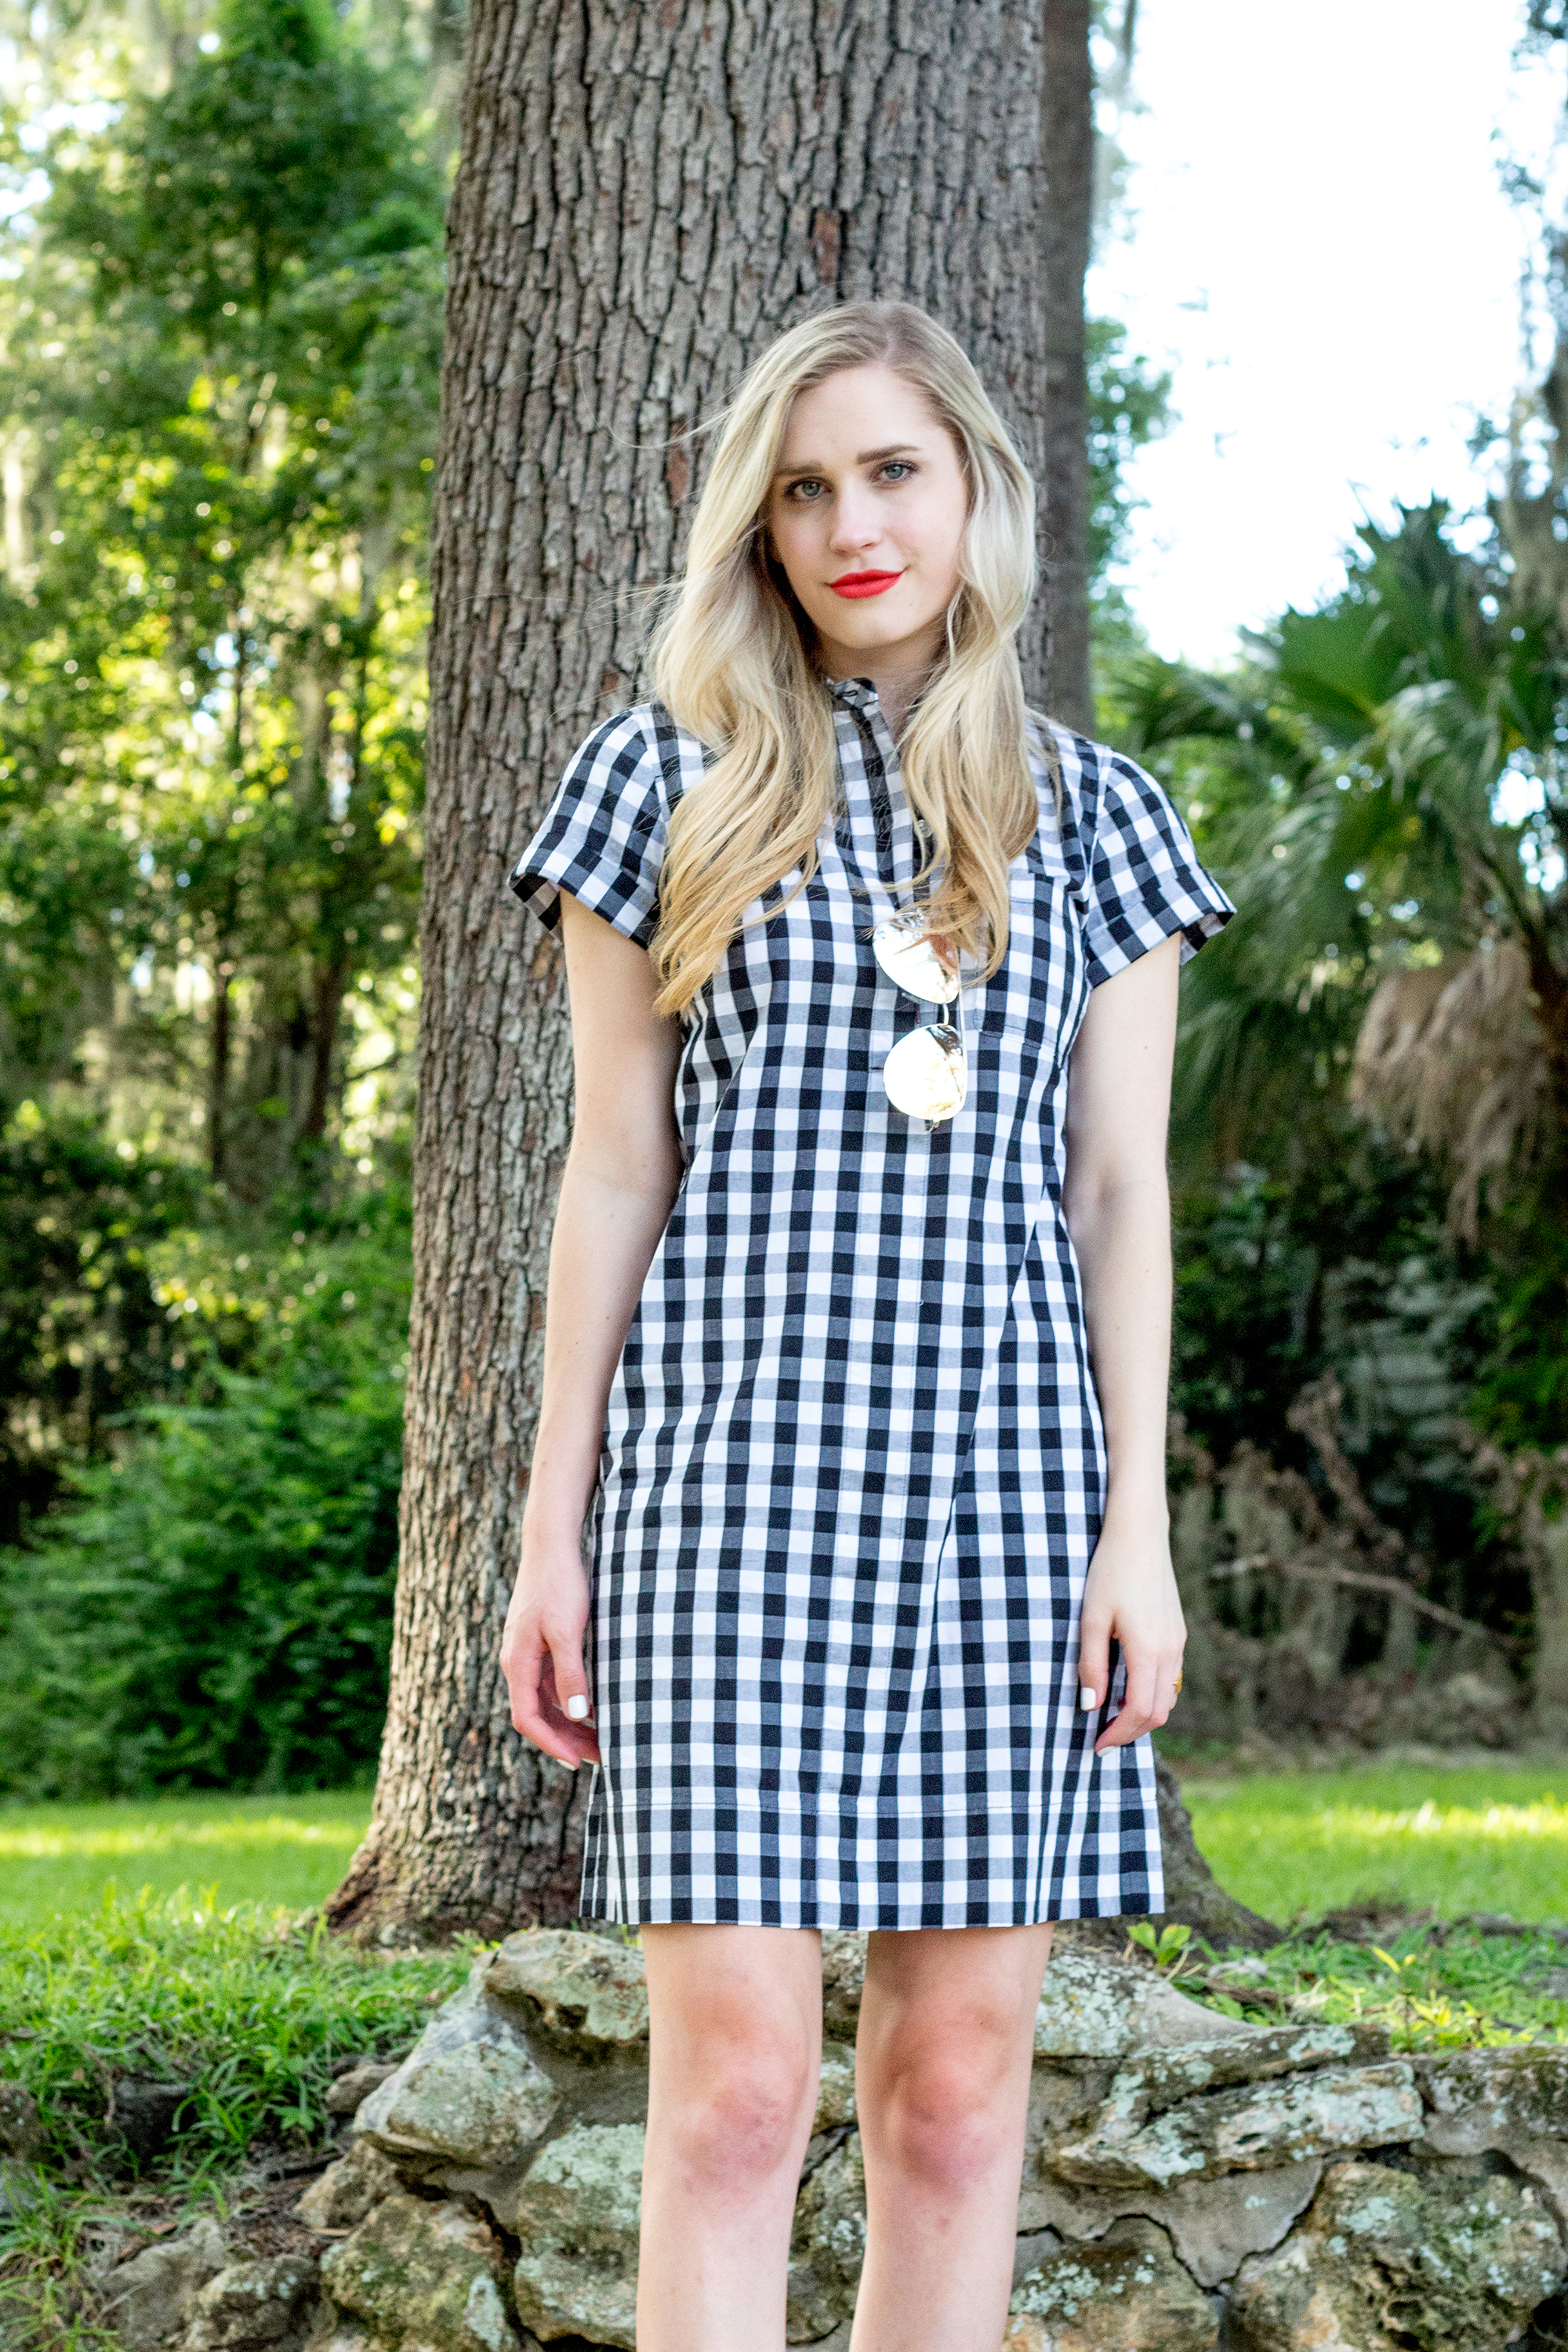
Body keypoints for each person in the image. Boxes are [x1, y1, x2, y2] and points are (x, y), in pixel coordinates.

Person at [500, 300, 1232, 2352]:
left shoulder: (1096, 818)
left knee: (954, 2095)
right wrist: (550, 1534)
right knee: (737, 2091)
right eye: (806, 485)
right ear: (760, 521)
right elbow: (612, 1174)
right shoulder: (660, 785)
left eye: (893, 470)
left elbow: (1117, 1194)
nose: (852, 523)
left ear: (977, 489)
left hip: (1009, 1503)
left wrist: (1138, 1534)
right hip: (722, 1501)